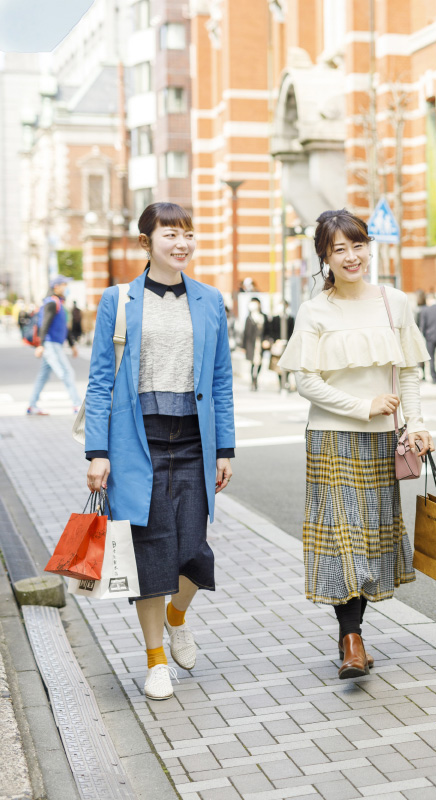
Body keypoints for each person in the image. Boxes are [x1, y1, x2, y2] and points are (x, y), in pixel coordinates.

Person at [83, 202, 235, 701]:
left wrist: (225, 448)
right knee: (150, 554)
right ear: (146, 242)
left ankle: (177, 615)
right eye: (170, 233)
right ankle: (154, 660)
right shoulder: (119, 300)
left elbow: (220, 381)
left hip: (194, 440)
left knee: (192, 550)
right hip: (136, 442)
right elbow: (102, 379)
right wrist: (98, 451)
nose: (182, 243)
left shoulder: (210, 301)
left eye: (188, 234)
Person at [277, 209, 433, 680]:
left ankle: (355, 632)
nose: (351, 256)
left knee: (367, 538)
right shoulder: (315, 310)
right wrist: (362, 405)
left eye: (358, 245)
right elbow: (306, 381)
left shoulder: (394, 302)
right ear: (325, 257)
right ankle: (351, 640)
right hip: (331, 438)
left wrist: (417, 422)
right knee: (343, 537)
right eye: (339, 249)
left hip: (383, 441)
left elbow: (408, 370)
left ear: (369, 247)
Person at [27, 276, 82, 415]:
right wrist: (41, 344)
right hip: (51, 344)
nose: (66, 287)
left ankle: (32, 406)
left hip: (54, 344)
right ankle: (77, 405)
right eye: (64, 284)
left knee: (43, 376)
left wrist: (72, 345)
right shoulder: (52, 303)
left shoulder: (58, 303)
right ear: (56, 287)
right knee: (66, 373)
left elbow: (64, 326)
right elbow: (44, 324)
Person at [242, 297, 268, 391]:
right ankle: (253, 381)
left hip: (260, 343)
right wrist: (243, 346)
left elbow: (267, 331)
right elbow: (245, 333)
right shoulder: (249, 318)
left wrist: (267, 340)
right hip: (251, 344)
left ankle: (256, 378)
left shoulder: (263, 316)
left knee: (260, 362)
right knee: (253, 362)